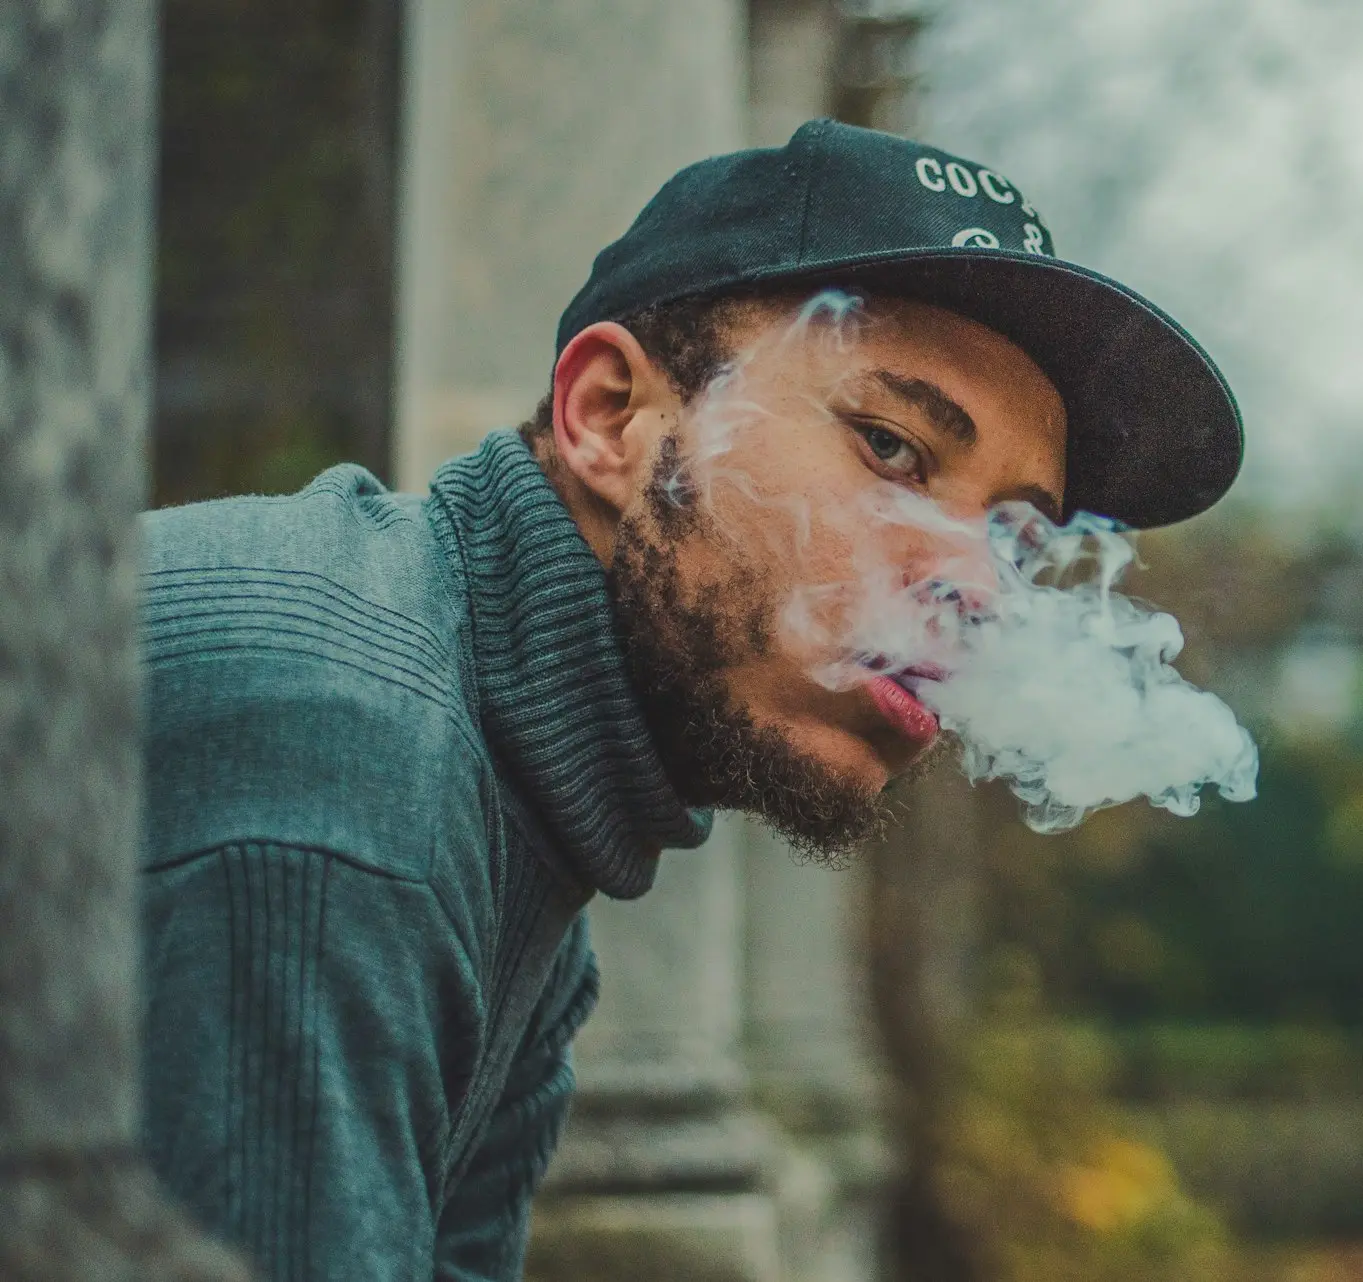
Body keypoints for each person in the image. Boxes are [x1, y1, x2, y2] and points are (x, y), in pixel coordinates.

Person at [138, 119, 1242, 1280]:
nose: (977, 590)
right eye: (893, 447)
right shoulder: (343, 774)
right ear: (610, 415)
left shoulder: (520, 809)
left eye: (1016, 536)